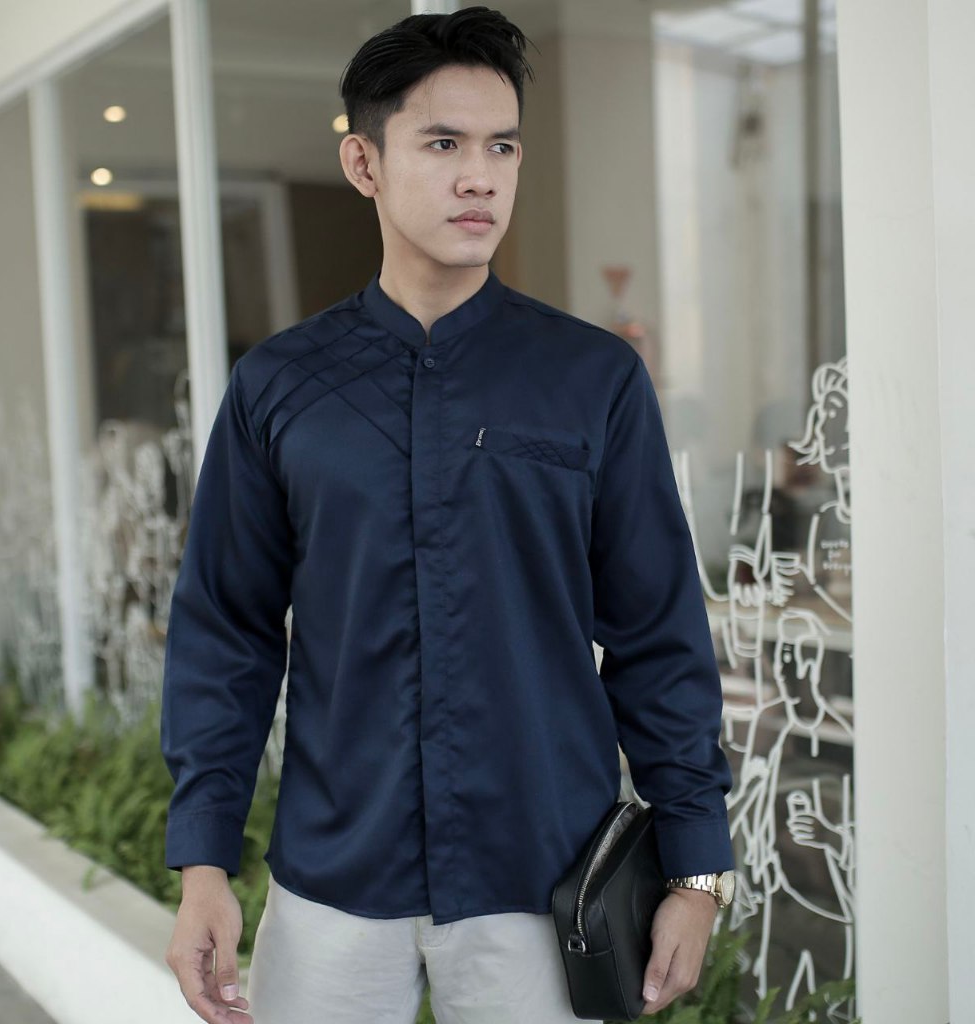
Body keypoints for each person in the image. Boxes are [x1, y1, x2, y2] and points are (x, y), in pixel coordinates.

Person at [160, 7, 735, 1023]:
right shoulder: (278, 387)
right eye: (443, 144)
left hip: (542, 881)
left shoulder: (593, 381)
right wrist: (203, 861)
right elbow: (227, 631)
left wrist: (695, 867)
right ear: (364, 163)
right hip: (335, 884)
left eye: (501, 146)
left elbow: (657, 633)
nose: (480, 177)